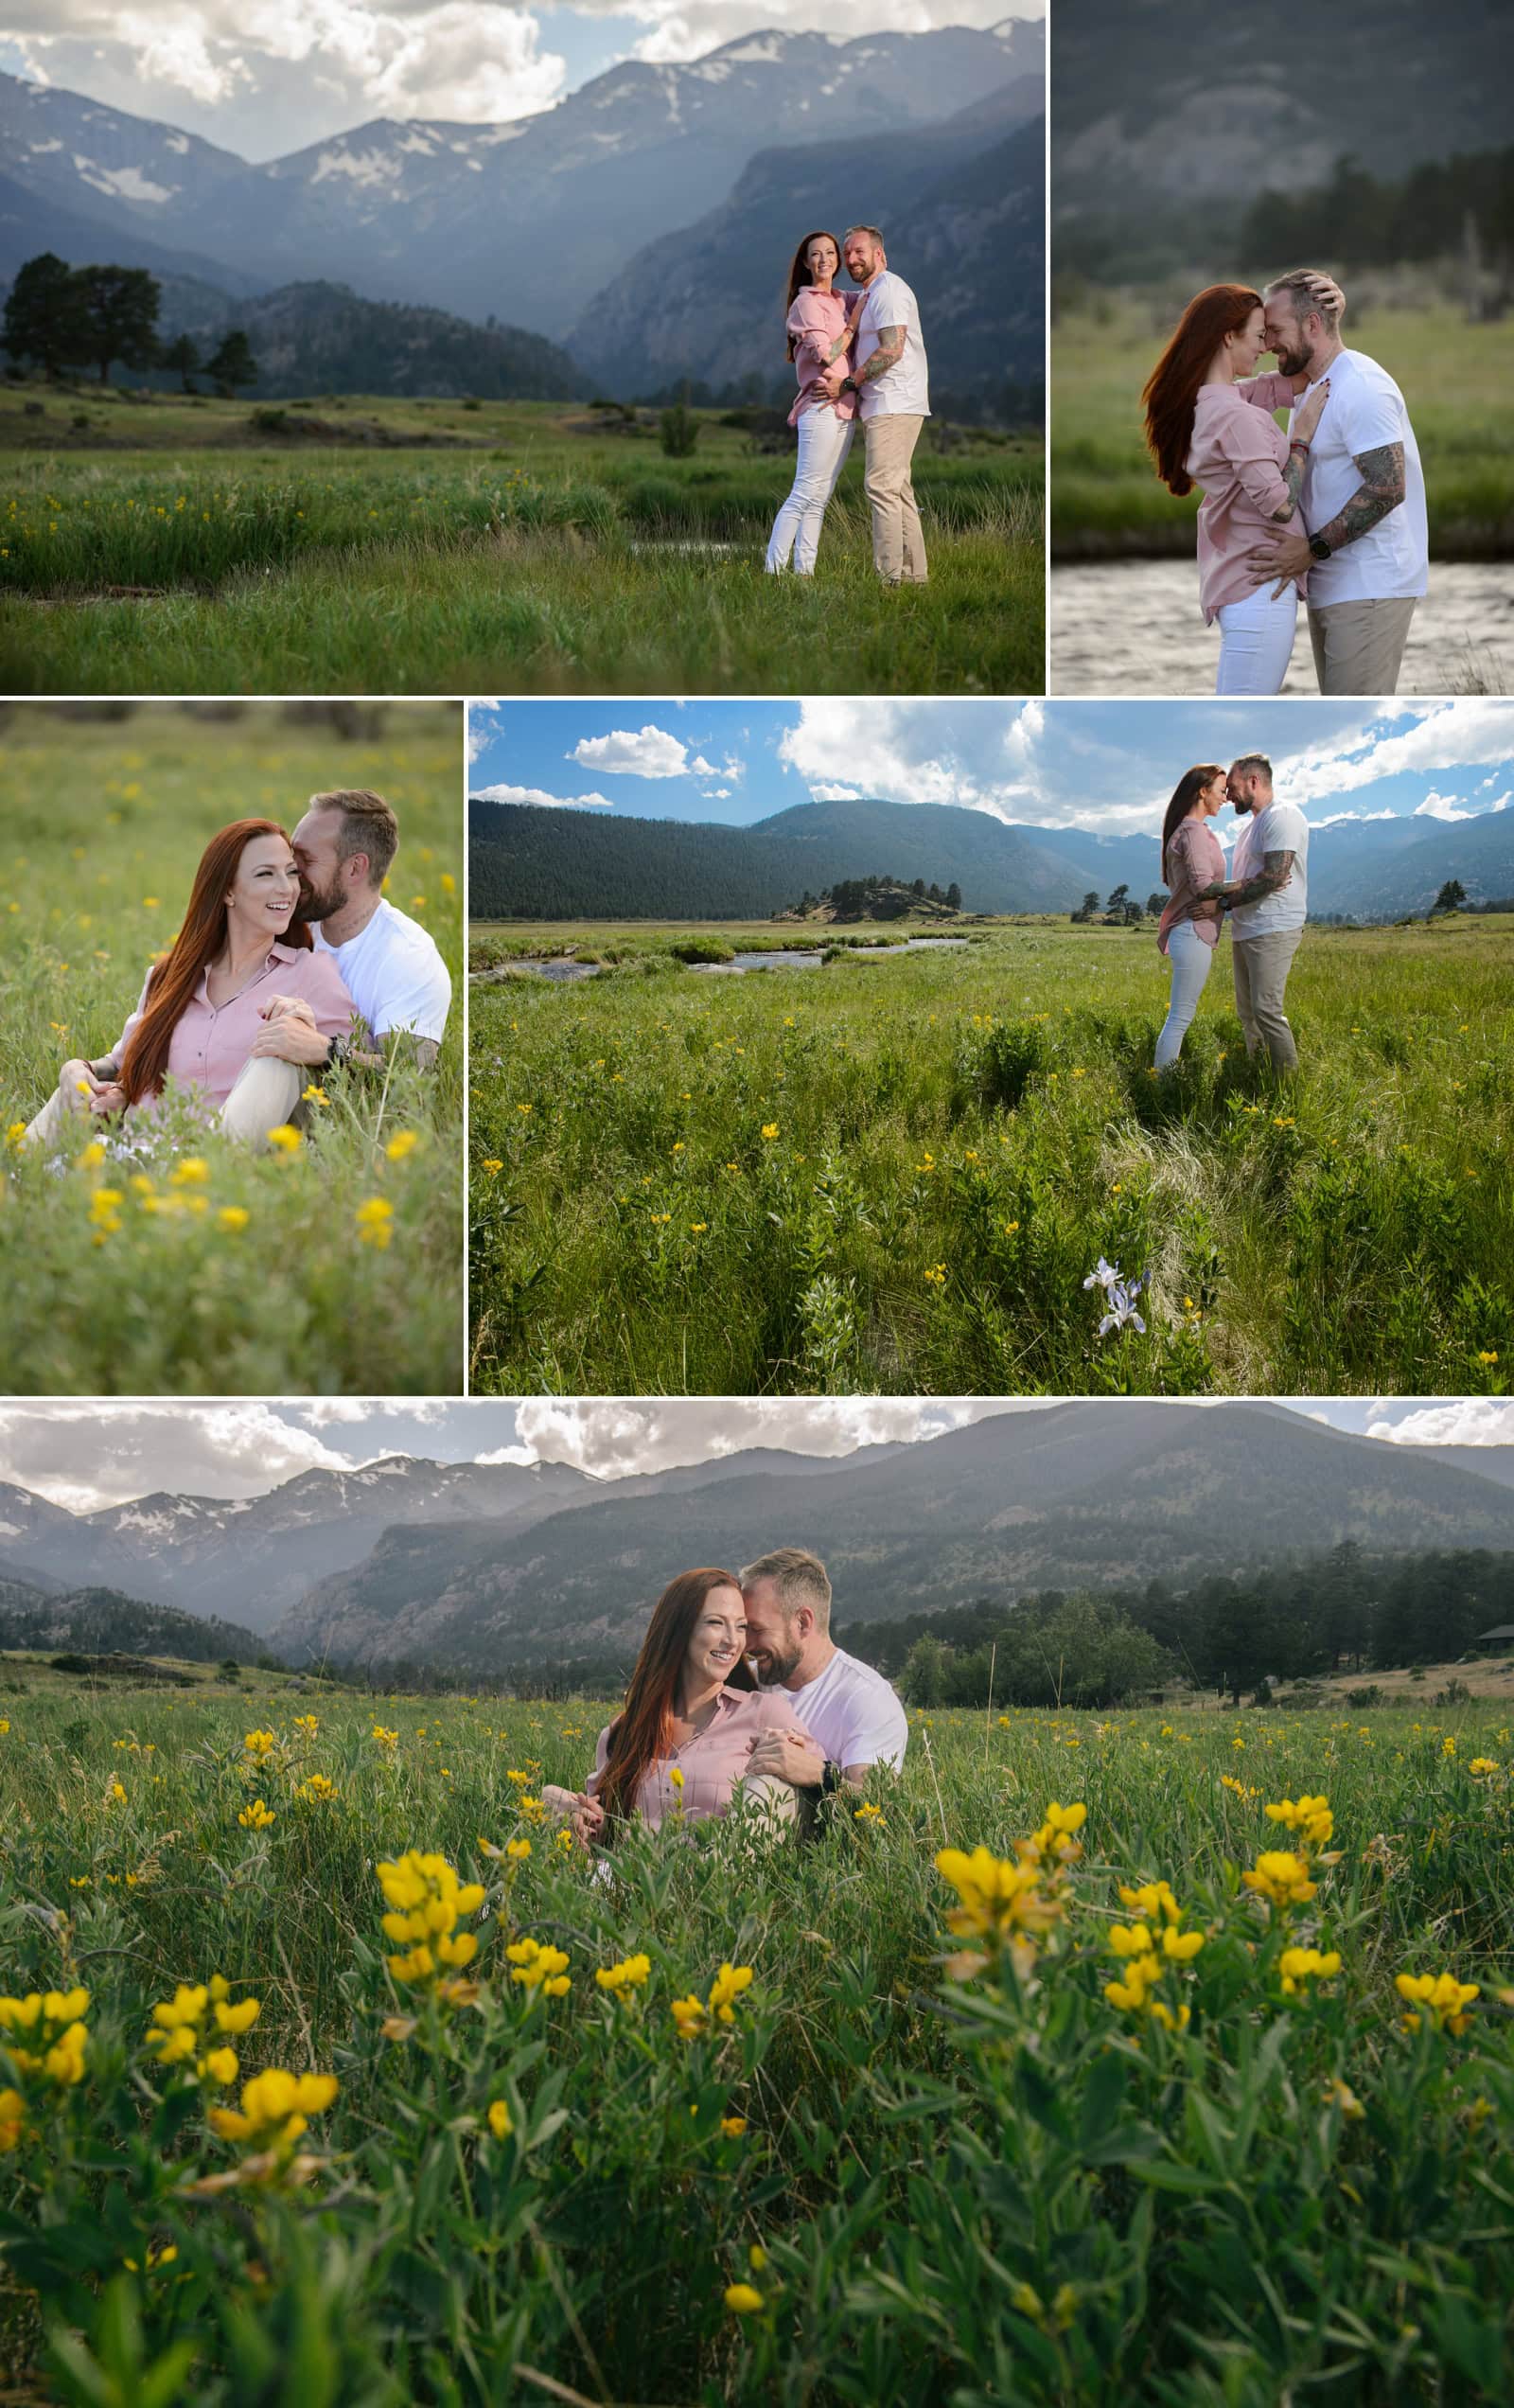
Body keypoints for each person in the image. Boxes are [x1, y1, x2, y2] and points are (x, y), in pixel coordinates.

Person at [22, 818, 356, 1154]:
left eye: (291, 872)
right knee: (70, 1089)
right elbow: (122, 1062)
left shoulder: (310, 974)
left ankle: (193, 1163)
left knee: (280, 1046)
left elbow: (370, 1075)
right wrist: (78, 1069)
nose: (287, 888)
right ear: (227, 891)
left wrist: (322, 1048)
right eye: (266, 874)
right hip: (130, 1155)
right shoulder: (170, 977)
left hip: (220, 1169)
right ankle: (16, 1179)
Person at [1142, 278, 1336, 693]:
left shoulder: (1209, 402)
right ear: (1228, 337)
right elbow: (1281, 506)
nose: (1265, 346)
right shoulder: (1235, 417)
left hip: (1241, 585)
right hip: (1261, 591)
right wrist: (1299, 437)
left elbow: (1280, 385)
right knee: (1245, 700)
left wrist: (1330, 316)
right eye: (1258, 335)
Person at [1245, 270, 1428, 695]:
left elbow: (1387, 487)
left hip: (1369, 587)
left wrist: (1311, 550)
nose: (1269, 343)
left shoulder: (1361, 387)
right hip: (1333, 584)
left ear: (1312, 325)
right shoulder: (1310, 385)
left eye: (1276, 330)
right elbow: (1221, 394)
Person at [543, 1567, 815, 1849]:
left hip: (723, 1883)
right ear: (680, 1630)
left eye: (741, 1626)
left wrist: (814, 1769)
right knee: (548, 1802)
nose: (733, 1640)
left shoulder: (765, 1713)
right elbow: (598, 1829)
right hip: (635, 1884)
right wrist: (569, 1813)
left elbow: (820, 1796)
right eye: (715, 1623)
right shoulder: (623, 1732)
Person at [283, 788, 453, 1075]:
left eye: (306, 860)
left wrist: (326, 1050)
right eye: (291, 855)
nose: (290, 870)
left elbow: (409, 1075)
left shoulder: (409, 957)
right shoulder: (283, 923)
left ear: (354, 868)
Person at [738, 1547, 908, 1799]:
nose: (746, 1644)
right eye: (743, 1628)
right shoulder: (742, 1681)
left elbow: (876, 1804)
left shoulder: (867, 1698)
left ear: (803, 1622)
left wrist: (818, 1773)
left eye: (757, 1629)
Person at [817, 225, 929, 587]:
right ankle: (913, 578)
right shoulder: (870, 293)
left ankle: (889, 581)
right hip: (887, 402)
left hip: (893, 401)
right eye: (846, 253)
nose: (850, 259)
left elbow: (892, 349)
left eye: (858, 252)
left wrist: (849, 383)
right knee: (897, 490)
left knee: (880, 487)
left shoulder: (889, 290)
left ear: (879, 254)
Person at [1200, 753, 1309, 1071]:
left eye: (1232, 787)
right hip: (1248, 927)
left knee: (1267, 1010)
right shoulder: (1249, 830)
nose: (1228, 794)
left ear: (1253, 781)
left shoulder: (1283, 816)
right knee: (1247, 1011)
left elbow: (1274, 876)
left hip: (1273, 927)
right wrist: (1217, 890)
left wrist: (1221, 902)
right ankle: (1257, 1069)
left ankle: (1286, 1082)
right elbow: (1254, 879)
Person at [766, 230, 864, 576]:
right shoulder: (806, 303)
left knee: (820, 498)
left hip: (845, 407)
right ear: (806, 263)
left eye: (830, 253)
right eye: (816, 255)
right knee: (804, 491)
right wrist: (852, 327)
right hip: (820, 407)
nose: (824, 260)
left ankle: (804, 572)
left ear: (838, 260)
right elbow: (826, 356)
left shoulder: (840, 299)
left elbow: (872, 291)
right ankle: (773, 571)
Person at [1153, 765, 1229, 1071]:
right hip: (1193, 930)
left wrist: (1221, 903)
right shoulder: (1193, 832)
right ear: (1203, 791)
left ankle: (1162, 1081)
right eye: (1221, 791)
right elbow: (1202, 885)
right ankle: (1163, 1087)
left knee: (1180, 1016)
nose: (1225, 798)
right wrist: (1244, 888)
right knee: (1180, 1017)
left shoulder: (1185, 830)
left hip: (1187, 931)